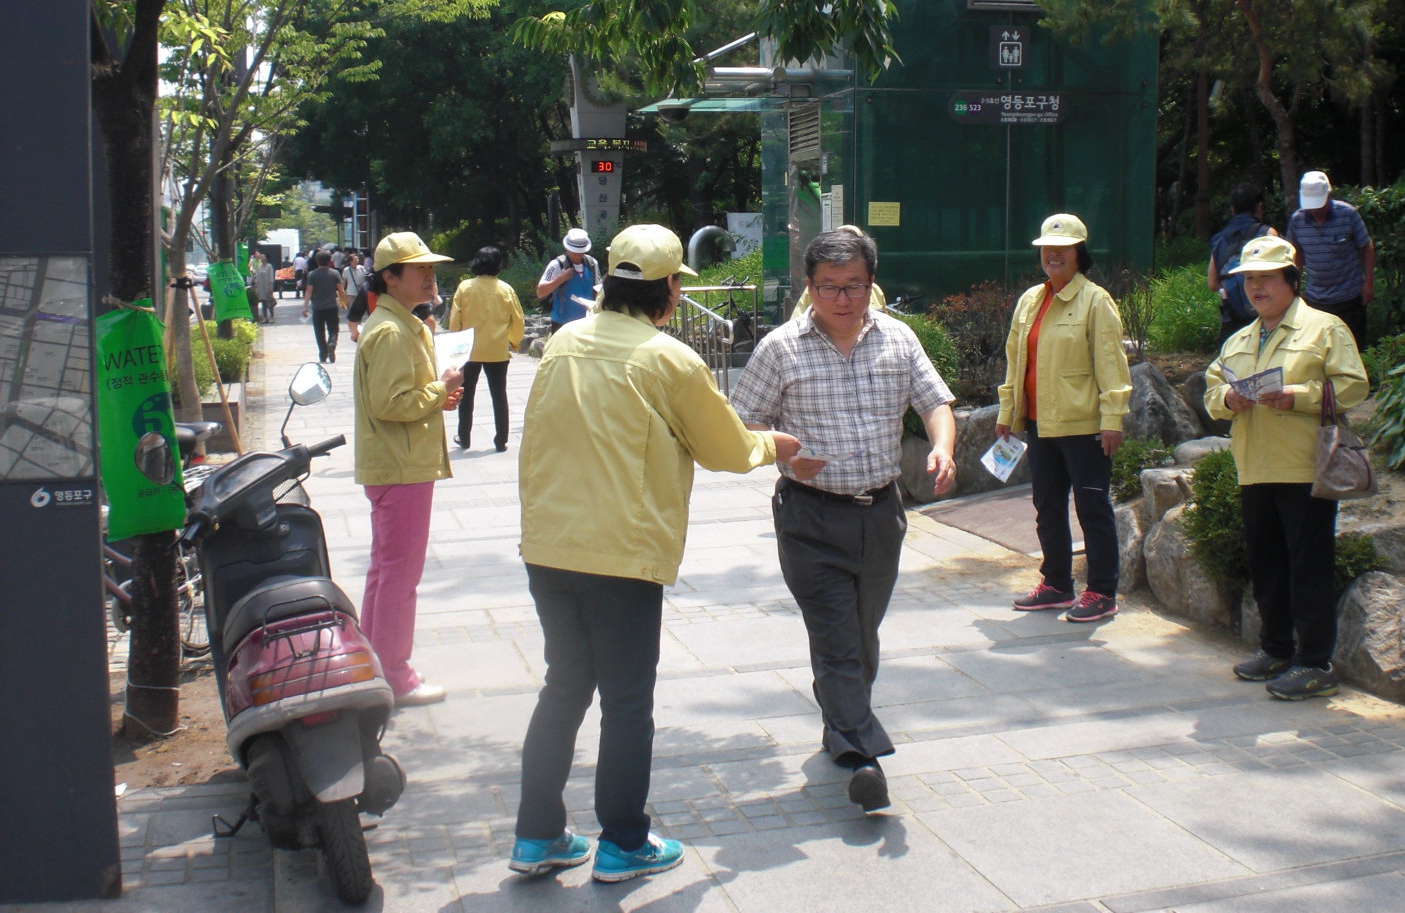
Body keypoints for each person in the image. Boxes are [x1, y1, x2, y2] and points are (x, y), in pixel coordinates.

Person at [511, 224, 818, 882]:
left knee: (564, 686)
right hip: (620, 556)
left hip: (548, 548)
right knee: (626, 700)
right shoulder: (668, 358)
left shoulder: (563, 343)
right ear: (670, 290)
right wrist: (776, 444)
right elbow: (727, 450)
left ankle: (537, 836)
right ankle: (623, 842)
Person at [733, 227, 956, 814]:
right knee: (836, 636)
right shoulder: (780, 348)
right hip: (809, 516)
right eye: (828, 287)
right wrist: (783, 449)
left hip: (881, 514)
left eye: (853, 285)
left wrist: (943, 447)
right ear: (810, 287)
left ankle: (840, 724)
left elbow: (934, 402)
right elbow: (740, 424)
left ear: (870, 284)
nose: (841, 298)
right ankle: (863, 755)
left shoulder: (898, 340)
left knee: (861, 636)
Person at [1203, 236, 1369, 700]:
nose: (1256, 288)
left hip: (1304, 467)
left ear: (1291, 281)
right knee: (1267, 564)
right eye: (1249, 281)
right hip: (1254, 465)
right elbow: (1212, 391)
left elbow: (1354, 386)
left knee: (1308, 566)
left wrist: (1297, 397)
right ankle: (1276, 648)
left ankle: (1315, 662)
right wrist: (1229, 399)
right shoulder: (1238, 338)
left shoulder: (1324, 328)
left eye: (1266, 279)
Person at [998, 213, 1133, 622]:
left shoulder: (1095, 301)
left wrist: (1113, 419)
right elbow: (1015, 361)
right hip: (1040, 423)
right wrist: (1008, 413)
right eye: (1046, 249)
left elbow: (1112, 365)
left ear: (1079, 254)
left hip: (1084, 425)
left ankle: (1102, 590)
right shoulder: (1030, 301)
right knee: (1047, 505)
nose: (1052, 255)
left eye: (1062, 249)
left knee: (1092, 508)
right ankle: (1056, 583)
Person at [353, 232, 464, 708]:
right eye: (417, 270)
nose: (429, 276)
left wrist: (436, 395)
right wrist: (440, 390)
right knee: (400, 574)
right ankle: (394, 674)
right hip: (401, 466)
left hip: (396, 463)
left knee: (386, 570)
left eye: (430, 269)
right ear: (390, 278)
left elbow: (398, 399)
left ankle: (374, 665)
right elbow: (392, 403)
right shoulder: (392, 331)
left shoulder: (399, 324)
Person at [1286, 170, 1376, 350]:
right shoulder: (1297, 221)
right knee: (1321, 349)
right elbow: (1296, 253)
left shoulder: (1347, 214)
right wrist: (1294, 284)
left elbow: (1366, 247)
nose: (1316, 210)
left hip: (1349, 297)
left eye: (1320, 204)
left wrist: (1368, 282)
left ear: (1329, 195)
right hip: (1316, 299)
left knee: (1353, 347)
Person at [448, 245, 525, 452]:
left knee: (467, 394)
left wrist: (454, 345)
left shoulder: (465, 287)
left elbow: (455, 319)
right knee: (499, 394)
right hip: (497, 349)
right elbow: (517, 320)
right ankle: (501, 440)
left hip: (469, 350)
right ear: (499, 265)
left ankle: (464, 436)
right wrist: (514, 341)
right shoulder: (506, 289)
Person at [1207, 183, 1277, 346]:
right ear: (1260, 207)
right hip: (1265, 321)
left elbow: (1212, 284)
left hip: (1232, 324)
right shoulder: (1268, 234)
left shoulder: (1219, 240)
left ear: (1233, 209)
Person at [536, 228, 599, 332]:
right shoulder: (556, 265)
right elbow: (540, 292)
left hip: (586, 322)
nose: (578, 255)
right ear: (567, 248)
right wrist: (562, 278)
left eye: (581, 251)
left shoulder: (592, 264)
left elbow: (598, 289)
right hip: (562, 323)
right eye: (575, 252)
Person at [301, 250, 343, 363]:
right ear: (329, 260)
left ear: (317, 261)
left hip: (317, 308)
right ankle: (332, 343)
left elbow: (308, 291)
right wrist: (344, 302)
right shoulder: (335, 273)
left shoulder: (312, 274)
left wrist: (305, 307)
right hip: (332, 307)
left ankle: (323, 353)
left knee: (319, 332)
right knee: (334, 330)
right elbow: (341, 289)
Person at [251, 253, 277, 324]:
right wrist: (256, 286)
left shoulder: (269, 266)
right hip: (261, 287)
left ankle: (272, 317)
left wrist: (271, 287)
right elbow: (257, 277)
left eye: (263, 257)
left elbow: (271, 277)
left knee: (270, 302)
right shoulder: (259, 266)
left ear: (266, 258)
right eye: (261, 257)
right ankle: (265, 317)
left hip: (267, 286)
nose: (261, 258)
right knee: (263, 303)